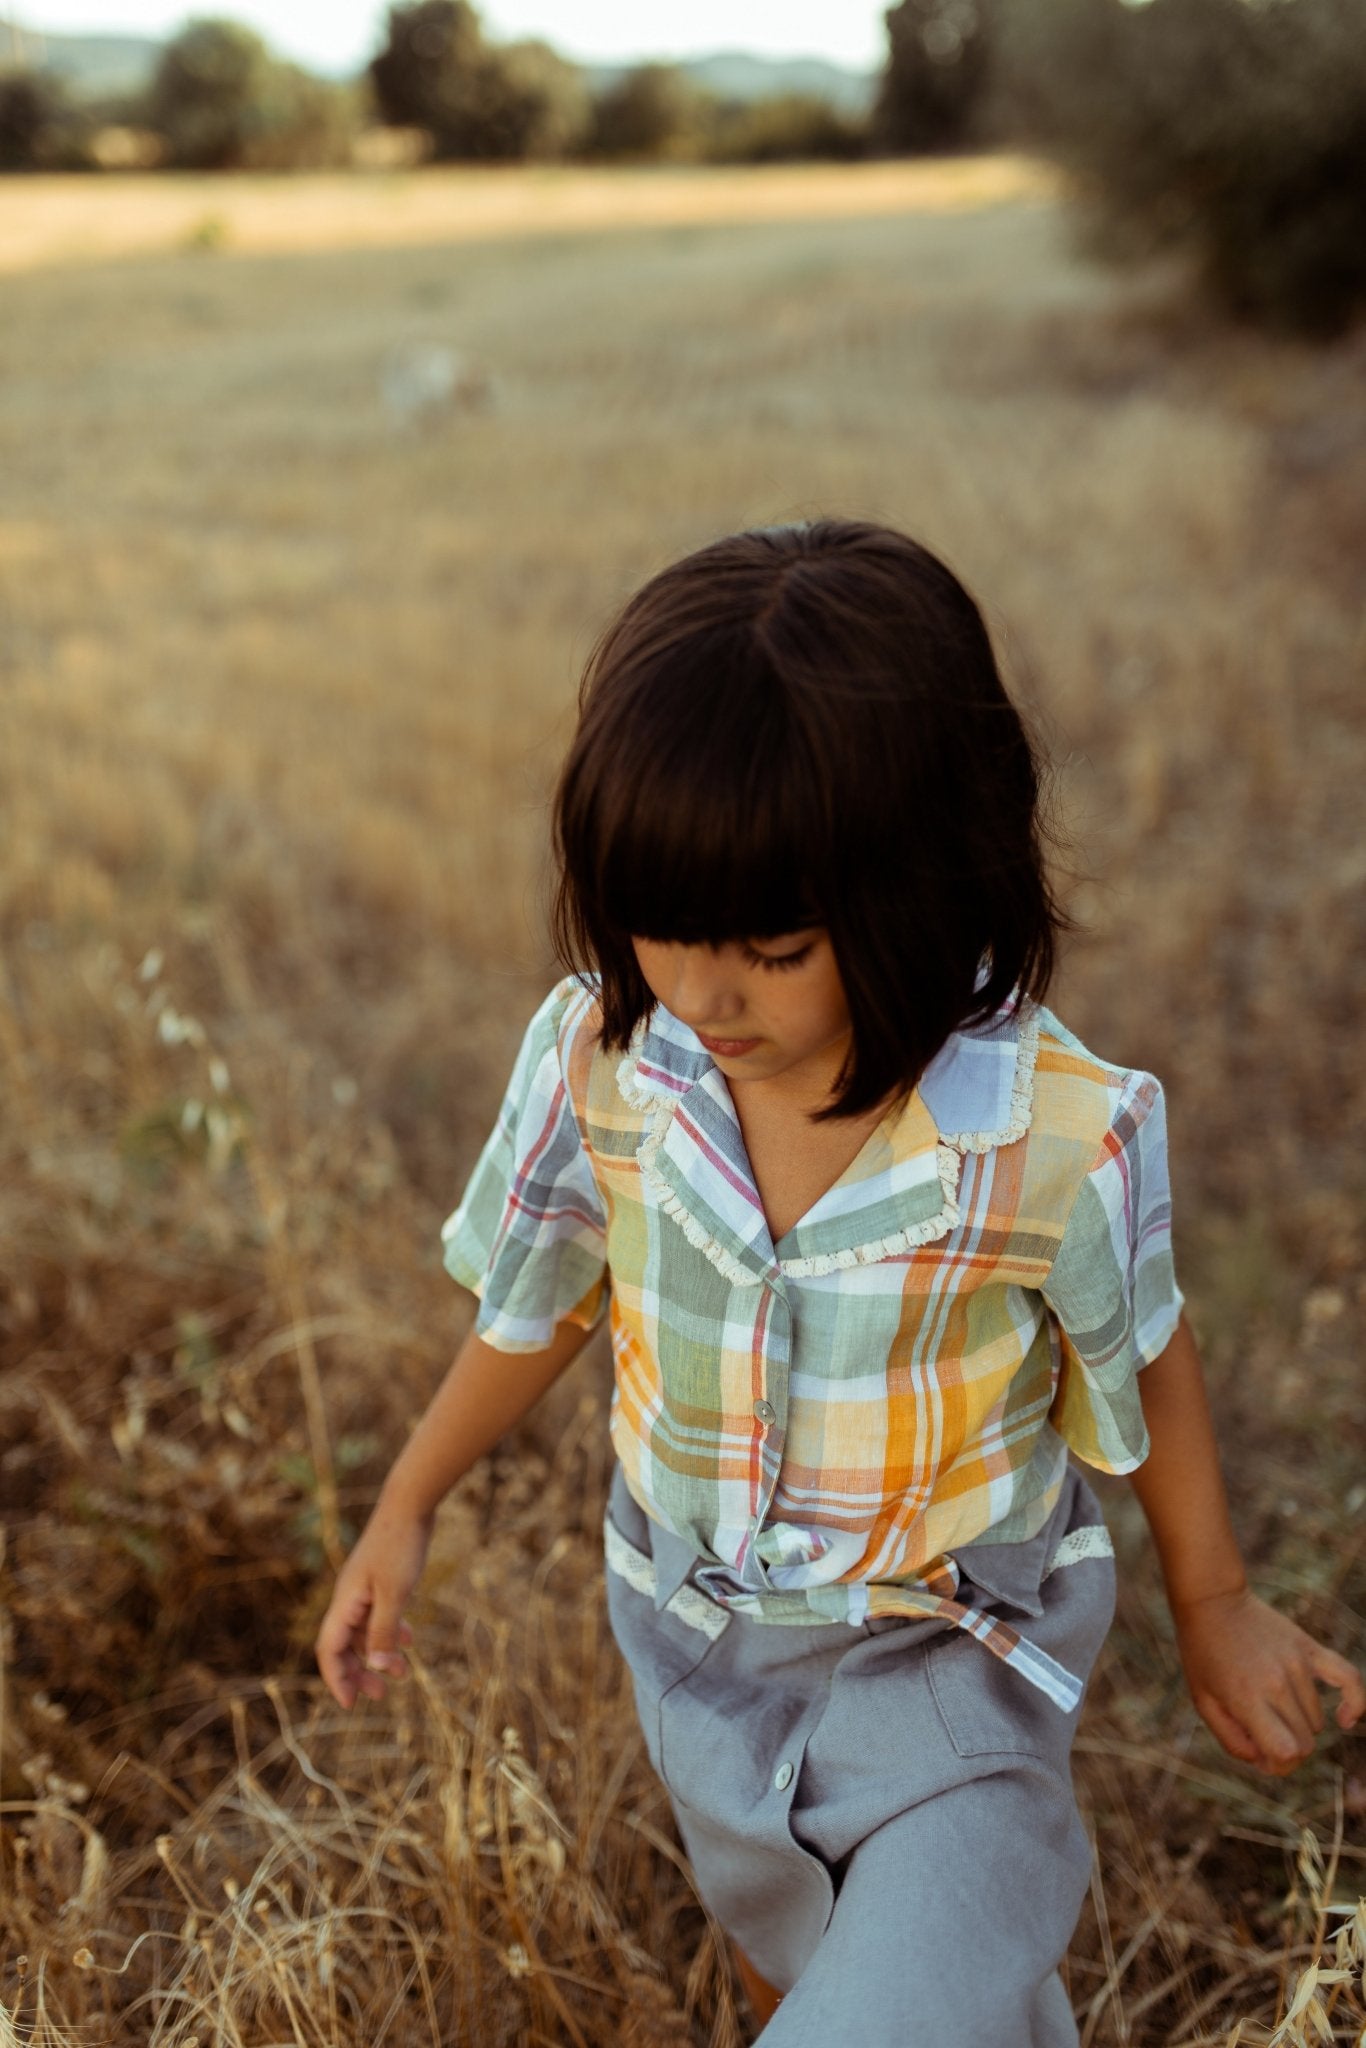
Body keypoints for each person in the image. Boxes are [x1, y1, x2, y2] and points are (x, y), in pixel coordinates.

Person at [315, 519, 1363, 2045]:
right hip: (692, 1652)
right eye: (662, 927)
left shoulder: (1052, 1136)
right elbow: (535, 1302)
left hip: (952, 1660)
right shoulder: (606, 1067)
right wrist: (405, 1506)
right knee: (796, 1974)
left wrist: (1211, 1599)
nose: (702, 989)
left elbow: (1144, 1350)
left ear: (928, 885)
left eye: (775, 944)